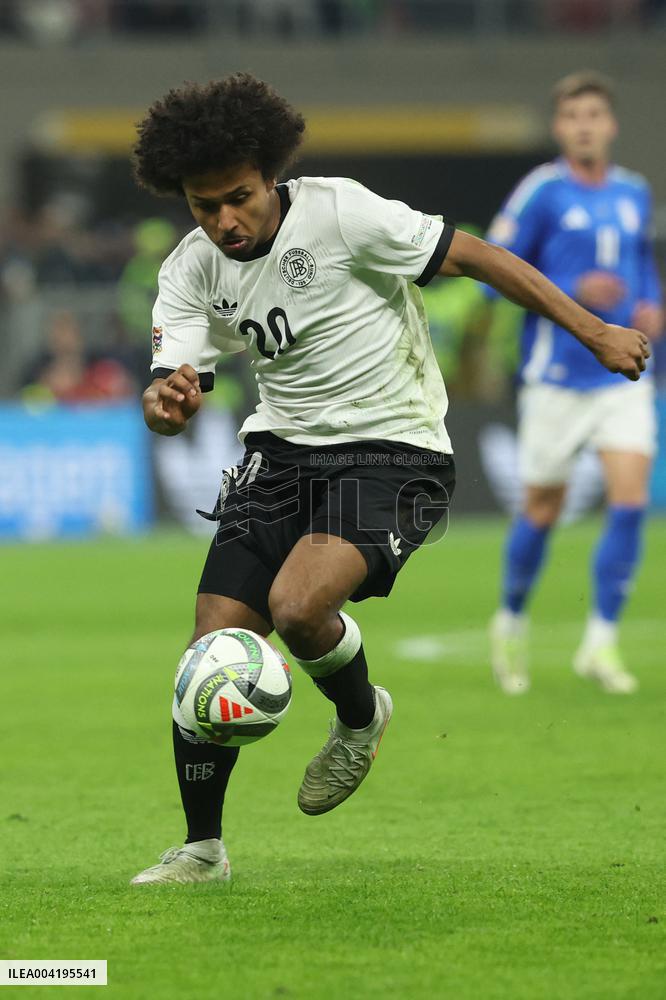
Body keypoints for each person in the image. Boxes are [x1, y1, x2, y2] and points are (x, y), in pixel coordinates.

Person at [129, 73, 648, 885]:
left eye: (239, 198)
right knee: (212, 647)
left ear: (271, 176)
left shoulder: (342, 212)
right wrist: (168, 400)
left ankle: (360, 717)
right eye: (204, 206)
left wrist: (592, 332)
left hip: (396, 448)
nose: (224, 221)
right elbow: (170, 386)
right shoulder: (190, 269)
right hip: (282, 450)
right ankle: (202, 849)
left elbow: (474, 255)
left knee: (300, 608)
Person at [487, 71, 663, 696]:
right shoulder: (541, 193)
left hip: (624, 376)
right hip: (557, 376)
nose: (585, 125)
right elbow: (492, 271)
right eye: (573, 117)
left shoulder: (634, 192)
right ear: (560, 128)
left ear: (611, 124)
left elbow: (641, 262)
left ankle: (601, 643)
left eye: (594, 115)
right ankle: (509, 621)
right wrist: (571, 295)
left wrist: (652, 306)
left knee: (630, 499)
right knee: (543, 507)